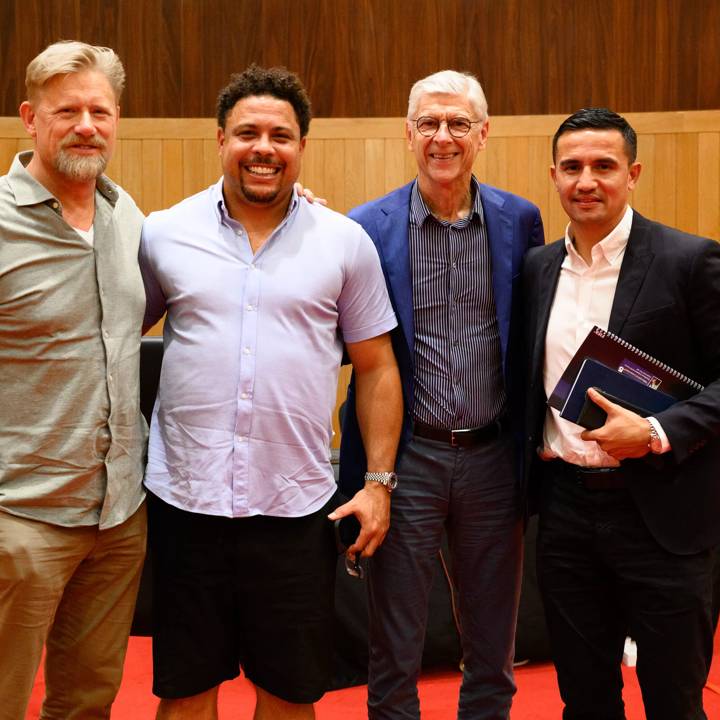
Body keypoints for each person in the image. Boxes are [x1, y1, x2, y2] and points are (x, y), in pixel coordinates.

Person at [139, 64, 402, 720]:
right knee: (185, 692)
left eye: (280, 135)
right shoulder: (163, 233)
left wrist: (377, 483)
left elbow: (377, 367)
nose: (264, 147)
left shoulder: (344, 243)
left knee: (289, 696)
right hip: (184, 506)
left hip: (295, 513)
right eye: (247, 132)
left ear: (302, 146)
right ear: (220, 139)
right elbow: (113, 341)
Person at [339, 70, 544, 720]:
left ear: (483, 134)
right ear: (408, 133)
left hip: (492, 458)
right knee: (394, 648)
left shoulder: (520, 221)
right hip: (405, 461)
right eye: (429, 123)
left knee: (493, 650)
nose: (443, 136)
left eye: (458, 123)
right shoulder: (365, 226)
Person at [523, 107, 720, 720]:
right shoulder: (535, 268)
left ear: (632, 174)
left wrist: (660, 430)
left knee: (673, 700)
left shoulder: (688, 260)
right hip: (564, 513)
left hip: (664, 514)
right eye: (573, 167)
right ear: (553, 175)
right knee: (583, 699)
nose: (588, 181)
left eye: (604, 166)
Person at [0, 41, 147, 720]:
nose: (86, 124)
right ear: (30, 118)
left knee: (87, 701)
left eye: (100, 110)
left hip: (117, 517)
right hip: (20, 517)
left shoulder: (130, 219)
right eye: (68, 111)